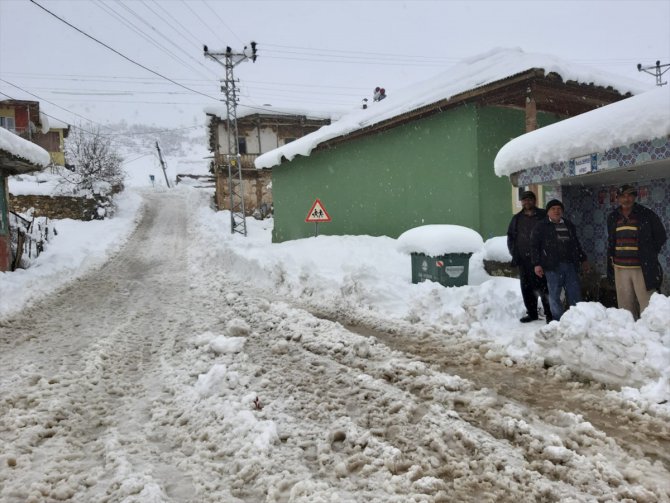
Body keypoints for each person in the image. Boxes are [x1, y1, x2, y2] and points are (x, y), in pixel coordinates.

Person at [607, 184, 667, 319]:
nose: (626, 199)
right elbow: (612, 241)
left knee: (647, 303)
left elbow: (661, 236)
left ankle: (648, 332)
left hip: (641, 267)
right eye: (622, 196)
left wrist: (649, 253)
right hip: (620, 268)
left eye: (629, 195)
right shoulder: (613, 217)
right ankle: (630, 333)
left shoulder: (646, 214)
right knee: (625, 306)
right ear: (618, 199)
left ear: (634, 197)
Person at [531, 199, 589, 321]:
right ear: (548, 212)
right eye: (553, 209)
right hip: (552, 267)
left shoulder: (568, 224)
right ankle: (559, 321)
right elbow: (534, 246)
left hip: (570, 265)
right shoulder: (541, 226)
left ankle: (576, 320)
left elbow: (576, 244)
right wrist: (536, 264)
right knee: (554, 296)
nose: (556, 211)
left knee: (574, 294)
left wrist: (583, 258)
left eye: (559, 209)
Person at [507, 190, 553, 323]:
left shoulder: (543, 215)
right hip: (523, 261)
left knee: (544, 288)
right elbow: (511, 236)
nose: (527, 202)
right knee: (527, 289)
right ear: (521, 202)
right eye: (524, 200)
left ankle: (549, 314)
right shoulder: (517, 218)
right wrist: (514, 252)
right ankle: (532, 313)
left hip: (540, 260)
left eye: (530, 199)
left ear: (535, 201)